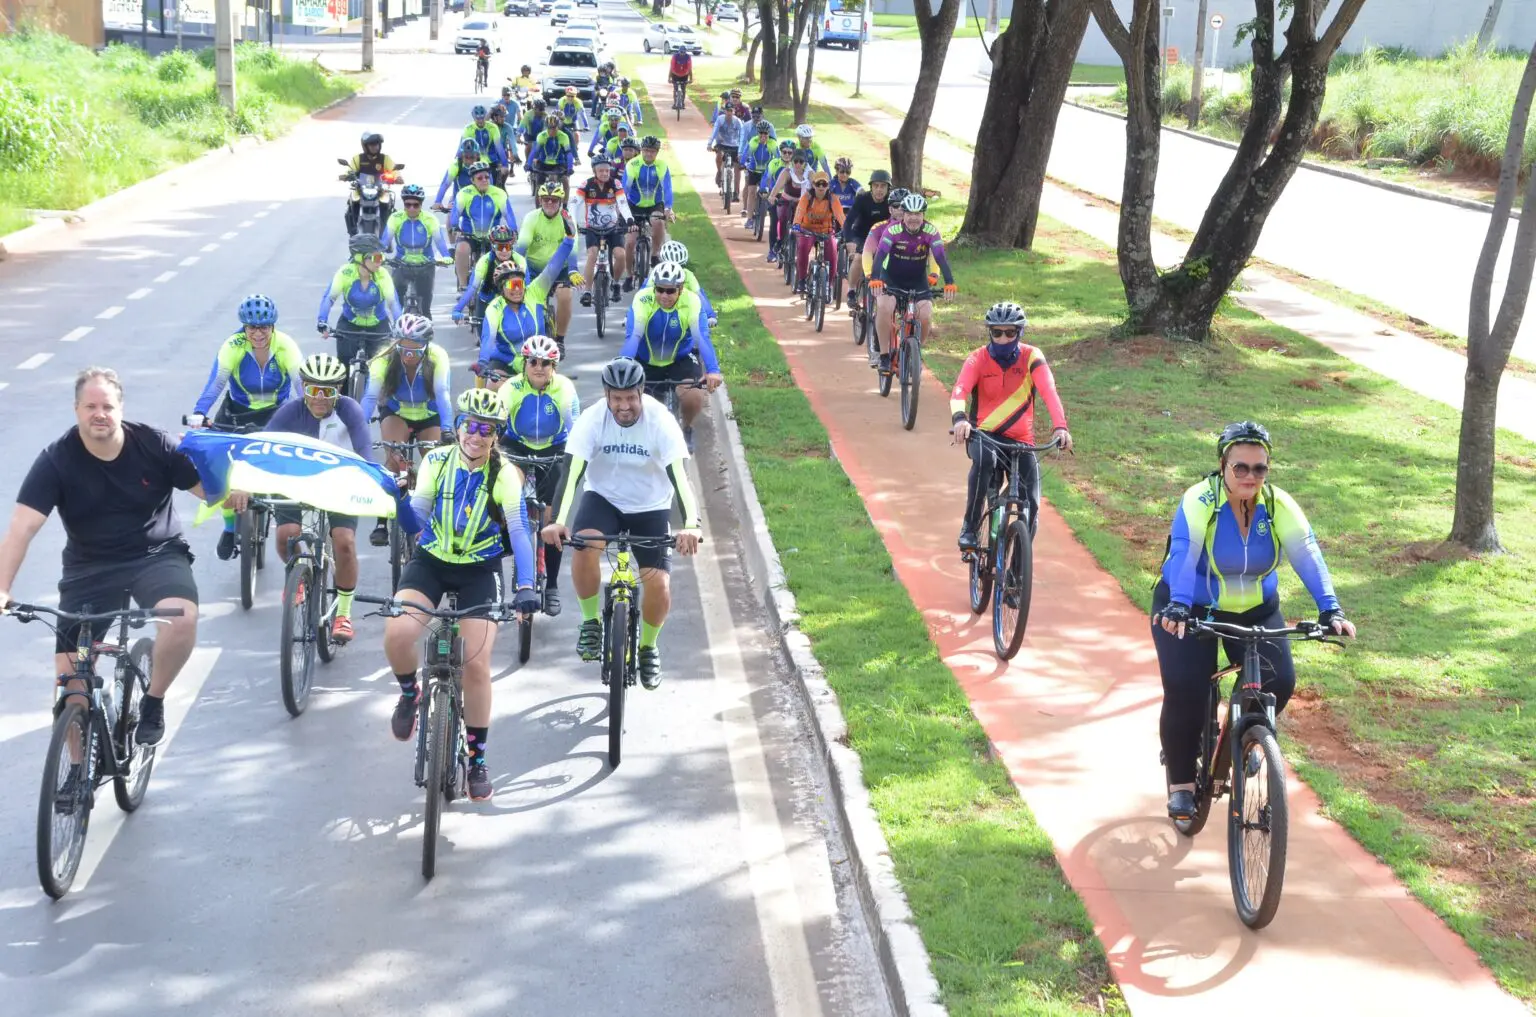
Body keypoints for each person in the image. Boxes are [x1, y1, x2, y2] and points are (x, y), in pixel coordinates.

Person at [0, 368, 223, 748]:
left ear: (120, 409)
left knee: (181, 619)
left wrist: (232, 491)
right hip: (89, 567)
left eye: (107, 405)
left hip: (156, 554)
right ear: (76, 410)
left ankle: (152, 701)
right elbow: (22, 528)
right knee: (71, 685)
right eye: (90, 406)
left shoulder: (154, 444)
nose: (99, 413)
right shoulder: (56, 460)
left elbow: (210, 490)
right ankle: (73, 778)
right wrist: (2, 588)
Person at [1152, 422, 1356, 821]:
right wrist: (1177, 604)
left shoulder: (1277, 504)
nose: (1250, 476)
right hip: (1192, 606)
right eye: (1240, 468)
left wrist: (1330, 607)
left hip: (1256, 609)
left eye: (1259, 469)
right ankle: (1181, 781)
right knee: (1187, 689)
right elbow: (1184, 551)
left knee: (1280, 681)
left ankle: (1244, 738)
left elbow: (1305, 551)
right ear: (1223, 466)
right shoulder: (1200, 500)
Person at [385, 388, 540, 802]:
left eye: (486, 429)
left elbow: (521, 532)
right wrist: (397, 502)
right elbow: (417, 517)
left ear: (496, 436)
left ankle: (477, 759)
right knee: (398, 635)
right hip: (431, 561)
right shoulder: (436, 461)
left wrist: (526, 586)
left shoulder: (506, 474)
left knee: (475, 662)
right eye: (470, 425)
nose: (476, 435)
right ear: (457, 428)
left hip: (479, 570)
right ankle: (408, 695)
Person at [543, 357, 702, 688]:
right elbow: (571, 476)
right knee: (585, 545)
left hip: (651, 506)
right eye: (617, 398)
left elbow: (681, 479)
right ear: (606, 395)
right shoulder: (592, 419)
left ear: (641, 392)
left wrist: (691, 524)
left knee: (658, 583)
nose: (625, 406)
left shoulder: (661, 421)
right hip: (604, 500)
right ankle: (589, 623)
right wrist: (558, 521)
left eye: (631, 397)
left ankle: (648, 647)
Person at [949, 302, 1073, 553]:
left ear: (1020, 333)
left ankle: (1017, 569)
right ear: (989, 333)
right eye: (997, 332)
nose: (1003, 339)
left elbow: (1049, 392)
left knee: (1033, 505)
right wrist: (960, 419)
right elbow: (960, 390)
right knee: (984, 461)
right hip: (984, 435)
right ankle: (970, 527)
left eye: (1010, 332)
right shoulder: (977, 359)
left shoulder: (1032, 357)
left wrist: (1060, 427)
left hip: (1022, 440)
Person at [190, 294, 305, 560]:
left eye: (264, 327)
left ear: (273, 326)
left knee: (282, 463)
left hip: (276, 413)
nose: (258, 333)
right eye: (252, 327)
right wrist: (199, 412)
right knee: (222, 467)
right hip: (236, 413)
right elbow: (216, 384)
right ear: (244, 327)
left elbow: (300, 385)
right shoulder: (233, 345)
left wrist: (305, 412)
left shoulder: (286, 346)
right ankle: (230, 528)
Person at [265, 354, 372, 642]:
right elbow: (262, 449)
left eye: (329, 391)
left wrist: (373, 480)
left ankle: (344, 613)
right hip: (296, 481)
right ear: (303, 388)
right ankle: (297, 574)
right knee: (286, 534)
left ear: (339, 390)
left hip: (339, 482)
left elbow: (364, 452)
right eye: (313, 390)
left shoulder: (350, 411)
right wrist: (243, 485)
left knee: (345, 542)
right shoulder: (289, 412)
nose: (320, 399)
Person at [493, 335, 580, 616]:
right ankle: (507, 539)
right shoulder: (511, 388)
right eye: (533, 362)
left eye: (546, 363)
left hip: (554, 448)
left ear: (554, 366)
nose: (539, 367)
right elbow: (496, 423)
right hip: (516, 446)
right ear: (525, 363)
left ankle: (552, 584)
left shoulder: (564, 389)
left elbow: (575, 430)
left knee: (552, 521)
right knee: (508, 496)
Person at [361, 313, 453, 547]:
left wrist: (448, 429)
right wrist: (359, 426)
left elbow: (442, 393)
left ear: (426, 346)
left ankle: (440, 520)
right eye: (403, 348)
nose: (408, 356)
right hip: (397, 413)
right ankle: (381, 521)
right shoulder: (384, 358)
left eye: (415, 350)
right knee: (393, 460)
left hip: (429, 415)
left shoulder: (438, 356)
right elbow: (371, 395)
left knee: (436, 464)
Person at [621, 262, 723, 448]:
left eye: (670, 291)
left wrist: (713, 370)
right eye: (659, 290)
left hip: (680, 358)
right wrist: (623, 367)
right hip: (646, 359)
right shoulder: (643, 299)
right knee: (629, 400)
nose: (664, 296)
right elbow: (633, 337)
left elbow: (701, 338)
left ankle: (686, 428)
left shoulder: (692, 301)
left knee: (694, 396)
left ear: (681, 289)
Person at [869, 192, 957, 372]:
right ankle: (884, 356)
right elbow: (880, 255)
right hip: (891, 279)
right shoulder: (892, 230)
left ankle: (916, 351)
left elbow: (940, 256)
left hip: (918, 281)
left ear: (923, 215)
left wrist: (949, 282)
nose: (913, 218)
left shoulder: (931, 231)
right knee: (884, 308)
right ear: (904, 214)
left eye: (918, 214)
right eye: (910, 214)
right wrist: (875, 279)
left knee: (925, 316)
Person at [476, 239, 579, 369]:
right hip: (507, 361)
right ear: (502, 288)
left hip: (538, 361)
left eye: (520, 284)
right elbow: (488, 338)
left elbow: (553, 266)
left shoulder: (534, 292)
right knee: (490, 383)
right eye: (512, 285)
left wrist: (568, 240)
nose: (517, 289)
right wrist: (483, 361)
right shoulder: (495, 307)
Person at [318, 232, 402, 380]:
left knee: (384, 373)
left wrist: (399, 324)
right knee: (341, 373)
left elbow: (393, 302)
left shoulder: (382, 275)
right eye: (377, 257)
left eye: (382, 257)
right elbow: (329, 298)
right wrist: (322, 321)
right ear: (360, 258)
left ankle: (383, 403)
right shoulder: (345, 272)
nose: (380, 261)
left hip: (378, 326)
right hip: (349, 325)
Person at [514, 181, 581, 351]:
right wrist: (515, 267)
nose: (549, 203)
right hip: (535, 269)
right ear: (540, 200)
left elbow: (573, 246)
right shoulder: (531, 218)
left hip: (560, 269)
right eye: (546, 200)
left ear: (561, 202)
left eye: (554, 200)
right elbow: (521, 246)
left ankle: (560, 339)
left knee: (565, 295)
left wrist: (573, 269)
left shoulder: (567, 219)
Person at [385, 183, 454, 317]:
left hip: (425, 265)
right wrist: (378, 254)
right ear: (404, 204)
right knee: (395, 304)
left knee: (425, 309)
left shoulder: (430, 219)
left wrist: (446, 256)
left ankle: (426, 333)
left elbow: (439, 241)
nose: (411, 208)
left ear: (421, 205)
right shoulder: (395, 218)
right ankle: (396, 328)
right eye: (407, 205)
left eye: (415, 205)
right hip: (401, 264)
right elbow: (384, 240)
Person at [573, 156, 632, 308]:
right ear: (594, 171)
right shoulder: (586, 185)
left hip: (613, 228)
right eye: (601, 170)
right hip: (592, 229)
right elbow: (575, 204)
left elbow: (623, 203)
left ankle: (616, 283)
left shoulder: (616, 183)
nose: (605, 173)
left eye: (607, 170)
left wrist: (629, 219)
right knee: (592, 255)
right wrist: (571, 221)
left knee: (620, 255)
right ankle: (587, 291)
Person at [451, 161, 513, 292]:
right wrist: (455, 226)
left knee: (505, 253)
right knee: (461, 249)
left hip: (493, 236)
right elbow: (455, 213)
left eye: (487, 176)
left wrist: (514, 230)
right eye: (479, 178)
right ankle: (463, 286)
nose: (484, 180)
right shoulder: (464, 193)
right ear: (472, 180)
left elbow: (509, 215)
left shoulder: (499, 193)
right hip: (470, 235)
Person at [451, 222, 525, 323]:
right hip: (486, 300)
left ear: (512, 246)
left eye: (507, 246)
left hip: (512, 301)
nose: (504, 251)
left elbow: (527, 286)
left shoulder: (520, 260)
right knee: (484, 335)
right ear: (493, 246)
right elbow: (472, 288)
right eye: (500, 247)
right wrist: (457, 309)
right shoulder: (484, 261)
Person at [842, 168, 891, 310]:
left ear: (888, 188)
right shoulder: (862, 199)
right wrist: (849, 241)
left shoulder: (891, 202)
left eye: (883, 186)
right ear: (871, 187)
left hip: (883, 238)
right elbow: (848, 222)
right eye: (876, 186)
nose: (879, 190)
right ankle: (851, 291)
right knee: (858, 258)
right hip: (861, 235)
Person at [791, 169, 846, 294]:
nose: (821, 187)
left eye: (824, 184)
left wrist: (846, 229)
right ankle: (802, 280)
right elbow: (799, 211)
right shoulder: (807, 197)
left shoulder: (833, 199)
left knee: (832, 253)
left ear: (828, 186)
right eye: (818, 184)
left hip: (826, 232)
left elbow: (840, 216)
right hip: (808, 230)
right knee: (803, 247)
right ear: (813, 185)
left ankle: (829, 285)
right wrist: (796, 224)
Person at [344, 130, 400, 236]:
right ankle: (353, 230)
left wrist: (397, 177)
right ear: (365, 146)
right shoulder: (358, 159)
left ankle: (387, 233)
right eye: (372, 144)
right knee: (352, 202)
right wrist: (346, 175)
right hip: (361, 189)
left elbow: (394, 169)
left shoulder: (385, 158)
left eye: (377, 144)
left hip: (380, 189)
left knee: (388, 204)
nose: (375, 147)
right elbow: (350, 170)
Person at [656, 240, 716, 327]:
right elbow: (643, 295)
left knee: (700, 291)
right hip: (660, 308)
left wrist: (709, 316)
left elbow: (699, 295)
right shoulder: (656, 274)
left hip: (683, 308)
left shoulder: (688, 275)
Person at [766, 149, 811, 264]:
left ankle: (803, 249)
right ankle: (779, 244)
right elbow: (777, 187)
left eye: (801, 162)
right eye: (795, 161)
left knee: (806, 224)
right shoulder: (787, 173)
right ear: (792, 161)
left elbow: (818, 187)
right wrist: (772, 196)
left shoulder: (810, 173)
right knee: (783, 218)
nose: (798, 164)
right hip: (786, 201)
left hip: (801, 205)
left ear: (805, 163)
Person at [740, 119, 778, 233]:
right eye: (761, 133)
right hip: (753, 170)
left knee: (766, 192)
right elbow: (746, 153)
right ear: (758, 133)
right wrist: (742, 163)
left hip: (766, 172)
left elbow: (778, 158)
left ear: (769, 133)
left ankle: (763, 210)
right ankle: (750, 219)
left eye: (765, 133)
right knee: (751, 192)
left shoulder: (772, 144)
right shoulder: (753, 142)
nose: (763, 135)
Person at [707, 102, 747, 198]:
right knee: (719, 155)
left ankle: (736, 192)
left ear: (734, 111)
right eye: (727, 110)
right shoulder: (720, 120)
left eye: (731, 111)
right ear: (725, 111)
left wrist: (742, 150)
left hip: (735, 145)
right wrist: (709, 144)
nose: (729, 113)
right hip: (722, 143)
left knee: (737, 167)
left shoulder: (738, 122)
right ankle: (720, 172)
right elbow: (714, 131)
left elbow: (742, 136)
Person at [433, 139, 483, 213]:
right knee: (450, 217)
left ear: (477, 156)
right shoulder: (456, 165)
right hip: (457, 199)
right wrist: (438, 201)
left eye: (472, 157)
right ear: (461, 156)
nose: (469, 160)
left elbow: (490, 187)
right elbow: (445, 184)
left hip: (478, 199)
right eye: (466, 157)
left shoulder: (483, 166)